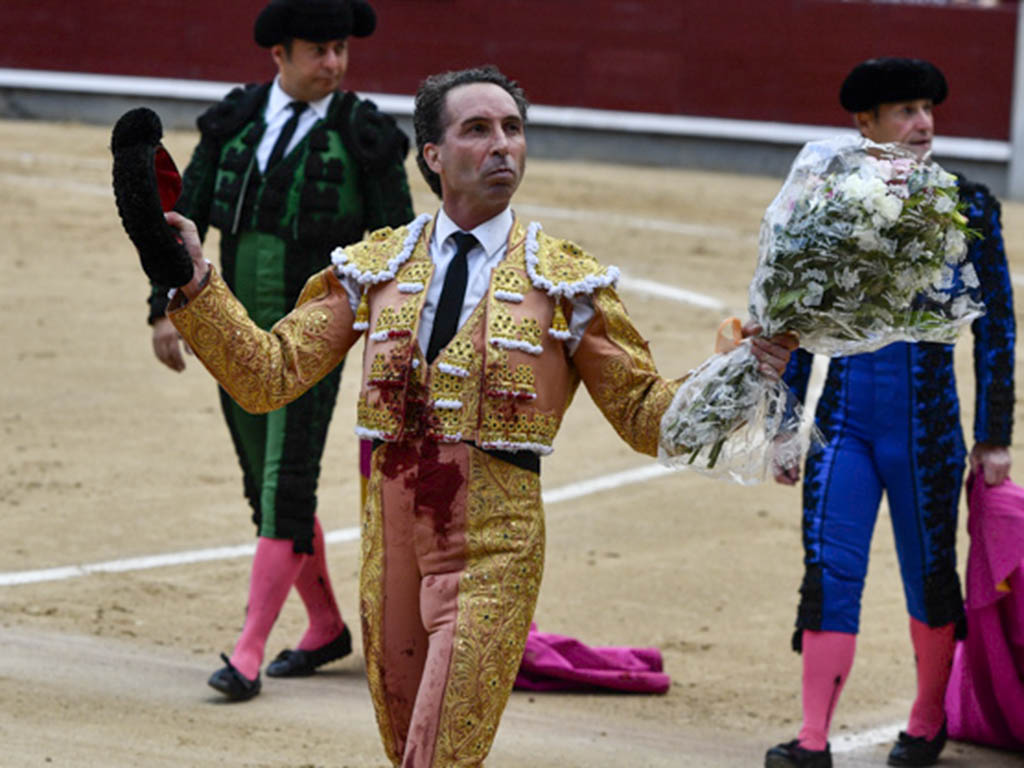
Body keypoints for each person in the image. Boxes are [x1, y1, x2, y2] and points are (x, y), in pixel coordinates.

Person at [156, 65, 796, 767]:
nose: (503, 146)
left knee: (438, 757)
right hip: (389, 548)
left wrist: (747, 371)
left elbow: (649, 415)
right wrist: (195, 283)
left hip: (496, 546)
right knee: (409, 749)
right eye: (479, 129)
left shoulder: (566, 284)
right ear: (432, 155)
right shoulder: (376, 267)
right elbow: (268, 375)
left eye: (514, 129)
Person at [146, 0, 414, 701]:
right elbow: (183, 219)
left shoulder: (365, 134)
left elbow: (402, 245)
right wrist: (165, 311)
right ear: (280, 55)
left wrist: (388, 343)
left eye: (341, 49)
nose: (334, 63)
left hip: (315, 335)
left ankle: (246, 653)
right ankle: (325, 625)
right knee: (259, 484)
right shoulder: (234, 123)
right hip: (231, 329)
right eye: (318, 50)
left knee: (284, 482)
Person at [766, 58, 1015, 768]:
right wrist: (787, 424)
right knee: (829, 572)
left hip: (929, 430)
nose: (924, 122)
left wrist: (995, 435)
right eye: (905, 110)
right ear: (864, 123)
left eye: (928, 108)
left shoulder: (969, 204)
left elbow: (997, 325)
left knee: (929, 573)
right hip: (842, 427)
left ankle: (927, 720)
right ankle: (813, 737)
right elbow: (805, 320)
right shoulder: (830, 202)